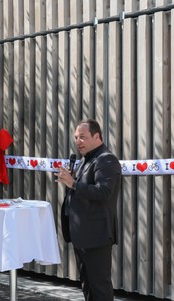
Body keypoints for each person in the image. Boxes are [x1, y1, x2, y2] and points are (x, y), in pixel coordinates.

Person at [55, 119, 122, 301]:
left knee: (100, 288)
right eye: (76, 138)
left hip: (96, 236)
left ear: (97, 136)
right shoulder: (86, 160)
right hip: (82, 235)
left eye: (83, 137)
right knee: (87, 285)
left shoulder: (106, 160)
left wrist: (73, 183)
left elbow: (104, 192)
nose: (78, 142)